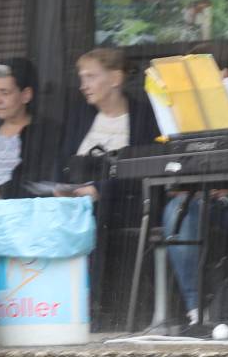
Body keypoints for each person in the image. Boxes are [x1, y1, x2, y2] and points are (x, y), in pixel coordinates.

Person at [157, 42, 228, 334]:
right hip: (202, 203)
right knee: (176, 213)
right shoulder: (180, 121)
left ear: (226, 75)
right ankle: (197, 311)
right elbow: (172, 182)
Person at [59, 48, 160, 323]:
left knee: (94, 214)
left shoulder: (143, 116)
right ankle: (58, 302)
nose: (84, 85)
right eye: (82, 77)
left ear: (115, 78)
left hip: (126, 200)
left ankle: (95, 303)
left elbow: (145, 169)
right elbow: (64, 163)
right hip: (78, 200)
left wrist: (101, 190)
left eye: (91, 77)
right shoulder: (79, 115)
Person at [0, 58, 63, 205]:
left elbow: (36, 180)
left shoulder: (46, 132)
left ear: (26, 95)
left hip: (22, 208)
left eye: (4, 93)